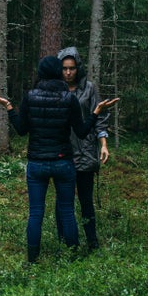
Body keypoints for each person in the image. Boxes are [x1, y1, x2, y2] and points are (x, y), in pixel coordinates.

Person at [0, 55, 118, 263]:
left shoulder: (31, 97)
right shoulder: (68, 98)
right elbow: (83, 132)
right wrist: (96, 113)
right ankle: (72, 257)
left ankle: (32, 260)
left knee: (36, 213)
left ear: (41, 73)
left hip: (37, 162)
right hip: (63, 162)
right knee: (67, 211)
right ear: (58, 72)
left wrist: (10, 108)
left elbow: (21, 130)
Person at [57, 46, 109, 251]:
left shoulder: (89, 88)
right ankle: (65, 242)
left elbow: (100, 118)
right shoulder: (55, 88)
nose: (68, 72)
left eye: (72, 68)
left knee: (86, 200)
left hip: (86, 151)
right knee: (63, 200)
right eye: (64, 68)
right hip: (62, 152)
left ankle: (92, 241)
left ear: (78, 68)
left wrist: (103, 143)